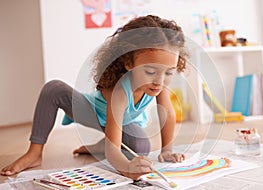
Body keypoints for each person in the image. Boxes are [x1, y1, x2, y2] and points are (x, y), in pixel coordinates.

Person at [1, 15, 189, 180]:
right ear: (128, 63)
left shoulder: (159, 82)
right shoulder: (121, 91)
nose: (160, 80)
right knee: (54, 88)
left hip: (121, 123)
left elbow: (168, 115)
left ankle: (98, 146)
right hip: (91, 113)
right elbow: (113, 152)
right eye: (150, 71)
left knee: (141, 146)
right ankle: (34, 152)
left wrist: (167, 150)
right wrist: (126, 168)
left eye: (168, 73)